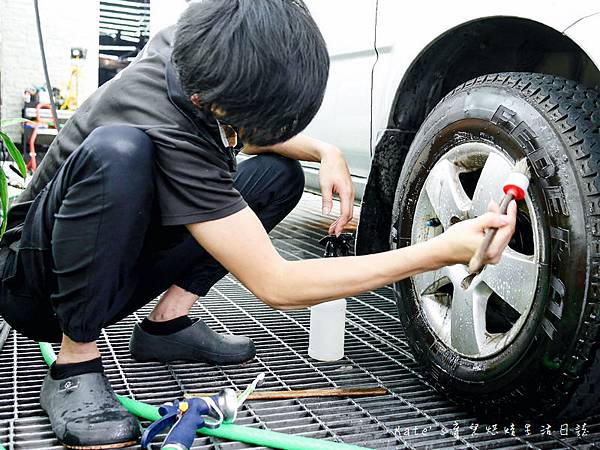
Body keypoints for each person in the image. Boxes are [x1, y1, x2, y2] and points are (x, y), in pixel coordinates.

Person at [0, 0, 517, 448]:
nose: (244, 132)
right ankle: (75, 361)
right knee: (121, 151)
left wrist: (323, 149)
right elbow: (276, 284)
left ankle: (165, 326)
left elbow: (241, 135)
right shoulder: (162, 120)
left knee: (277, 175)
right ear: (214, 100)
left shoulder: (202, 51)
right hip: (36, 283)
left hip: (112, 256)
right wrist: (439, 251)